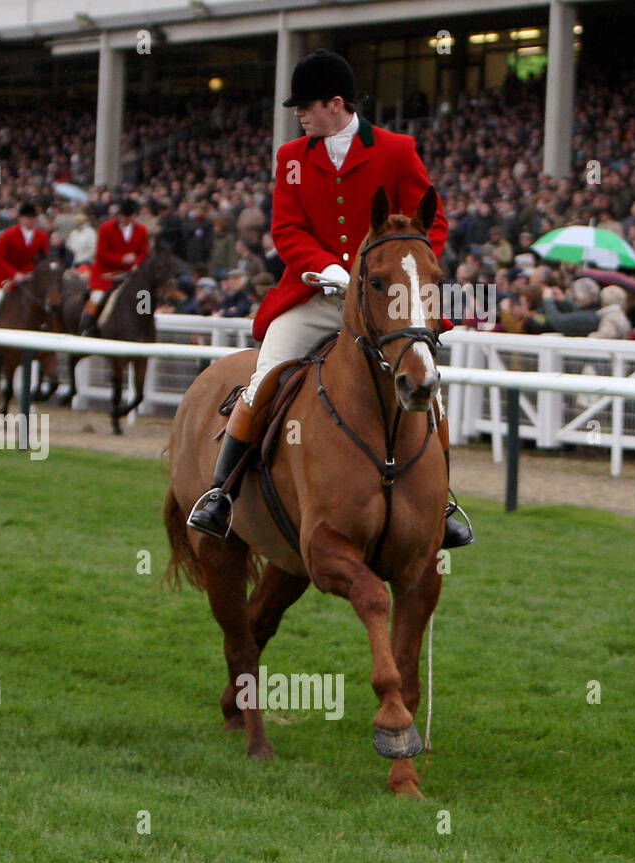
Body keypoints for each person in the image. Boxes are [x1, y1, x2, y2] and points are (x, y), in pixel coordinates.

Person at [187, 49, 473, 549]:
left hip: (384, 302)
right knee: (265, 375)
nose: (298, 114)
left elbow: (434, 223)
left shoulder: (396, 149)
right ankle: (220, 493)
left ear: (335, 103)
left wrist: (405, 274)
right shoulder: (291, 158)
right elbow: (286, 230)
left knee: (428, 387)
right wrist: (330, 270)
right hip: (317, 294)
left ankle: (443, 502)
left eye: (305, 106)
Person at [80, 197, 149, 335]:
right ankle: (86, 327)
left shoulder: (141, 230)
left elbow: (144, 251)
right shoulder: (105, 228)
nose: (122, 219)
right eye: (120, 216)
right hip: (106, 275)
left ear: (134, 216)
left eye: (126, 217)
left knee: (145, 296)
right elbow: (101, 254)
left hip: (130, 275)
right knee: (97, 298)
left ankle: (145, 328)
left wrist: (136, 263)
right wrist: (123, 259)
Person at [0, 201, 49, 327]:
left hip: (27, 275)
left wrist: (33, 273)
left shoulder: (42, 235)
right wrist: (14, 274)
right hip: (3, 276)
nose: (32, 221)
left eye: (34, 218)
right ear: (21, 219)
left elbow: (43, 259)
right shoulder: (8, 234)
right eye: (29, 218)